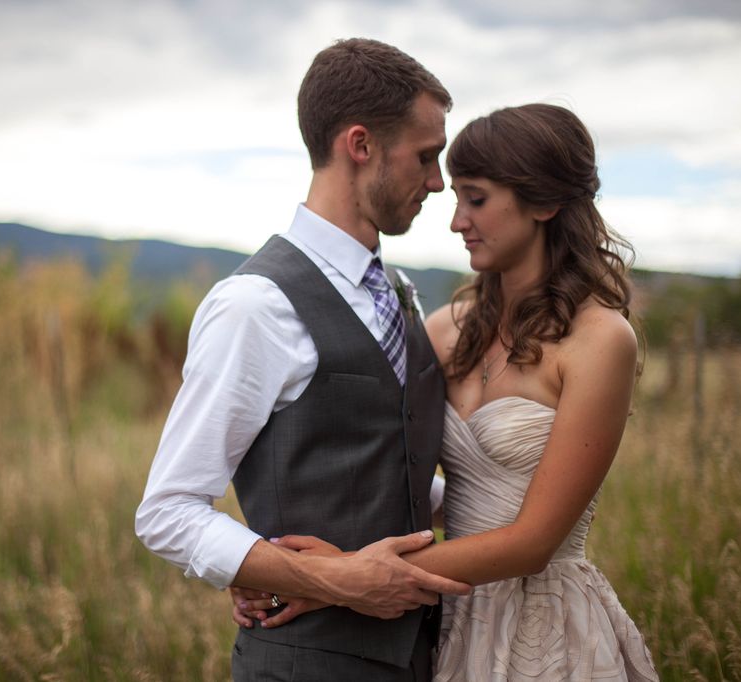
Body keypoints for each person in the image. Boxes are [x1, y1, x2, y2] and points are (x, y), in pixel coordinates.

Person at [234, 104, 660, 680]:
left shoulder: (602, 341)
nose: (457, 220)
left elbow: (533, 542)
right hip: (439, 618)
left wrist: (349, 578)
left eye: (477, 199)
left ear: (544, 203)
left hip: (541, 622)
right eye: (455, 197)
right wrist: (280, 570)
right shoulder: (444, 328)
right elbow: (386, 459)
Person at [135, 38, 471, 680]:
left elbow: (381, 464)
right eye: (427, 157)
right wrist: (330, 577)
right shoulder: (254, 305)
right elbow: (168, 510)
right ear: (360, 144)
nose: (436, 181)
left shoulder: (399, 293)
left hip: (428, 656)